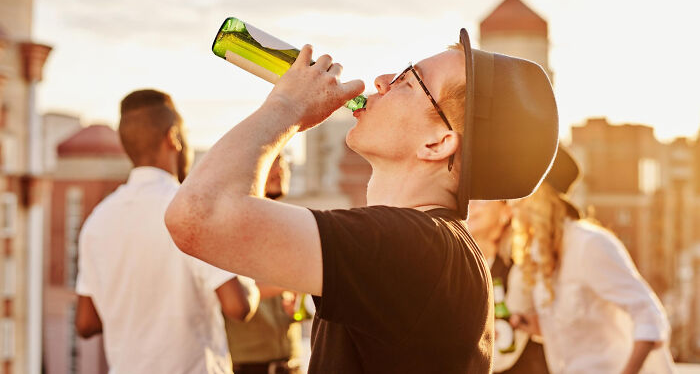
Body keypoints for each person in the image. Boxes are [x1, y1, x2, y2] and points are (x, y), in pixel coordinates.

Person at [165, 28, 559, 372]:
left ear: (437, 143)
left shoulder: (416, 247)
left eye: (409, 81)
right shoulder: (430, 247)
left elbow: (198, 213)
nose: (382, 80)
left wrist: (286, 107)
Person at [75, 89, 259, 374]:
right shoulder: (193, 209)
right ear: (173, 138)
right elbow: (239, 306)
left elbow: (86, 323)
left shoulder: (97, 221)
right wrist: (250, 279)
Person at [508, 147, 675, 374]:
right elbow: (571, 332)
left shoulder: (589, 244)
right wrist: (529, 325)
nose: (511, 206)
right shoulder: (540, 253)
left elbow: (648, 313)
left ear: (540, 200)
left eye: (519, 199)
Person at [225, 154, 303, 374]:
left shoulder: (289, 228)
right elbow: (230, 292)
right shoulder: (230, 230)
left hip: (292, 365)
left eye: (284, 160)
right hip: (249, 368)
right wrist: (291, 282)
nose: (280, 169)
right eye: (272, 160)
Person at [468, 200, 550, 373]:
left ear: (507, 212)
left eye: (482, 199)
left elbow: (503, 354)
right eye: (468, 198)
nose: (471, 204)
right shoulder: (462, 267)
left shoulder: (521, 269)